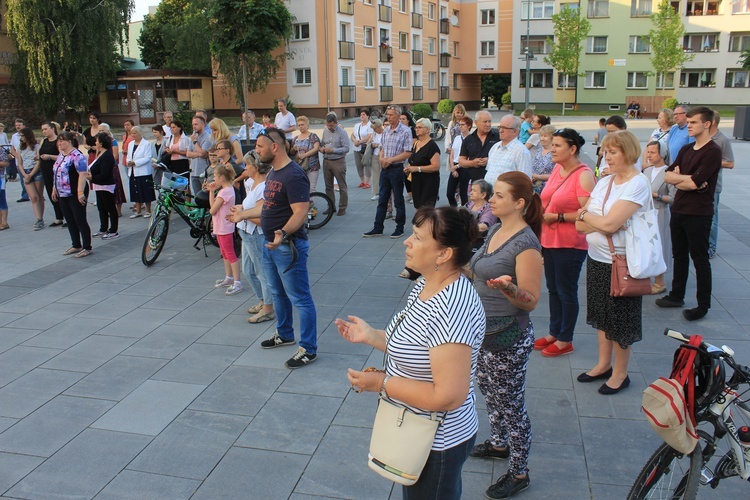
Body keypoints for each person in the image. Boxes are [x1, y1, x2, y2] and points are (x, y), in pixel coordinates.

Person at [336, 206, 485, 500]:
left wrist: (381, 384)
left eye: (417, 237)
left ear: (443, 255)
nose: (407, 241)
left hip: (436, 441)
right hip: (414, 427)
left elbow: (448, 396)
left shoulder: (452, 308)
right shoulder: (424, 283)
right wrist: (373, 336)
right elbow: (416, 345)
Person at [468, 172, 542, 499]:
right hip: (482, 331)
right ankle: (499, 444)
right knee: (490, 391)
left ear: (519, 203)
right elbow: (477, 267)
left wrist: (509, 287)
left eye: (498, 196)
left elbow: (532, 300)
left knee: (511, 404)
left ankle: (519, 471)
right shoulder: (497, 228)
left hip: (509, 336)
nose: (491, 200)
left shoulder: (526, 245)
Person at [575, 130, 651, 395]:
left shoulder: (637, 183)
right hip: (597, 259)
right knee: (601, 316)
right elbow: (579, 224)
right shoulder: (605, 182)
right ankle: (603, 364)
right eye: (605, 152)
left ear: (628, 153)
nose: (606, 157)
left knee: (621, 321)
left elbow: (608, 223)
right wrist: (590, 218)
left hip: (623, 264)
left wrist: (587, 215)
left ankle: (621, 373)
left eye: (613, 152)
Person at [254, 127, 318, 369]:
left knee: (300, 298)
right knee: (277, 292)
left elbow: (301, 212)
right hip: (270, 244)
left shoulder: (293, 175)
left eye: (260, 146)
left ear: (274, 147)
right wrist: (242, 214)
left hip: (288, 247)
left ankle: (309, 348)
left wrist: (283, 232)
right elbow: (268, 208)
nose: (256, 150)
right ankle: (284, 333)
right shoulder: (274, 172)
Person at [657, 106, 722, 321]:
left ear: (707, 124)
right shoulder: (686, 149)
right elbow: (667, 175)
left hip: (699, 213)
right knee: (679, 255)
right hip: (679, 209)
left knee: (700, 258)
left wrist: (686, 180)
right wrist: (687, 180)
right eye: (689, 122)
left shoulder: (712, 151)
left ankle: (703, 305)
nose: (688, 125)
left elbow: (695, 183)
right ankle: (677, 295)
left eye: (693, 122)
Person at [536, 128, 596, 357]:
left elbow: (588, 212)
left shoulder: (584, 175)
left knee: (566, 291)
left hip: (570, 242)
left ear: (572, 149)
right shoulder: (557, 169)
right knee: (553, 289)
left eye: (557, 145)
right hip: (549, 239)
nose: (552, 149)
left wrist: (559, 217)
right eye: (552, 144)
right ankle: (554, 331)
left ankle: (565, 339)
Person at [228, 151, 275, 323]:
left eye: (247, 165)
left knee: (261, 272)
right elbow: (248, 207)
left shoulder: (262, 187)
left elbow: (262, 219)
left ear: (255, 167)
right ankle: (263, 301)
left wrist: (242, 214)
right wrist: (239, 210)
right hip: (246, 232)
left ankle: (268, 308)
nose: (245, 167)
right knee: (248, 270)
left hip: (255, 234)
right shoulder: (252, 183)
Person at [363, 105, 413, 239]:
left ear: (397, 115)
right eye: (387, 115)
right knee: (382, 199)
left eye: (391, 115)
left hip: (396, 169)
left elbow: (407, 152)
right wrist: (381, 159)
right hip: (385, 168)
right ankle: (378, 227)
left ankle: (399, 228)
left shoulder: (405, 131)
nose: (388, 117)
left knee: (398, 199)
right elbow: (382, 148)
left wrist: (390, 160)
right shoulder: (386, 131)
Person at [642, 141, 675, 295]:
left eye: (653, 152)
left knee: (659, 245)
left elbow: (674, 198)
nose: (649, 155)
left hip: (660, 213)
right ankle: (648, 277)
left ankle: (660, 281)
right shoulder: (646, 171)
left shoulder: (669, 172)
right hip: (646, 213)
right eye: (648, 152)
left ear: (662, 154)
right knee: (647, 245)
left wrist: (658, 196)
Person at [52, 132, 92, 258]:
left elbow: (82, 174)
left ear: (69, 141)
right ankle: (76, 244)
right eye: (59, 141)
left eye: (62, 141)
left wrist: (80, 193)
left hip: (75, 191)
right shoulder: (61, 155)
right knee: (69, 219)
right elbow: (56, 172)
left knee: (79, 219)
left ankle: (87, 246)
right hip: (62, 192)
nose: (60, 143)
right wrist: (54, 188)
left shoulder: (77, 155)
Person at [208, 164, 243, 296]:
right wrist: (211, 192)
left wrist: (212, 192)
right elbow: (214, 209)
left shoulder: (225, 192)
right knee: (224, 252)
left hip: (224, 227)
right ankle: (229, 277)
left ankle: (237, 282)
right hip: (221, 226)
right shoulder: (226, 190)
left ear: (222, 178)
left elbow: (212, 210)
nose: (214, 179)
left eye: (215, 176)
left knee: (229, 253)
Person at [708, 111, 734, 258]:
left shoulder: (722, 140)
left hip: (714, 185)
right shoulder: (701, 139)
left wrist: (709, 161)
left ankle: (711, 247)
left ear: (711, 122)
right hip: (700, 185)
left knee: (712, 217)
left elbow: (730, 163)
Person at [86, 132, 119, 239]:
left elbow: (104, 174)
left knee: (110, 208)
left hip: (106, 186)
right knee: (101, 208)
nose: (95, 142)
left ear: (101, 143)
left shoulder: (107, 156)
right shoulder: (100, 153)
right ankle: (103, 228)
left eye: (97, 141)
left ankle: (113, 230)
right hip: (98, 185)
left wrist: (92, 178)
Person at [484, 115, 532, 183]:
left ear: (515, 131)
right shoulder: (495, 147)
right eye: (500, 127)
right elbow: (489, 171)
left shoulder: (521, 152)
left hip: (507, 193)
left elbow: (525, 181)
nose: (500, 131)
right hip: (489, 192)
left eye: (504, 128)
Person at [406, 117, 441, 209]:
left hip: (428, 182)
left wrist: (418, 169)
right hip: (416, 181)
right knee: (418, 208)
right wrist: (409, 167)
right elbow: (414, 159)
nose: (416, 129)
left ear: (427, 130)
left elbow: (436, 166)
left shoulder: (432, 146)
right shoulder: (416, 143)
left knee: (426, 211)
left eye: (419, 127)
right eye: (416, 127)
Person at [320, 112, 350, 216]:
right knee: (328, 186)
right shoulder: (325, 131)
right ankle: (331, 206)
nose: (329, 127)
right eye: (328, 125)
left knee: (342, 185)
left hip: (338, 161)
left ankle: (342, 207)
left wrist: (333, 150)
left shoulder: (342, 132)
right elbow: (322, 143)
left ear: (336, 123)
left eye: (331, 125)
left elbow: (346, 148)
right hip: (327, 160)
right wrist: (322, 148)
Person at [459, 110, 499, 185]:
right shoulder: (468, 139)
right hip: (475, 182)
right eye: (485, 122)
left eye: (489, 121)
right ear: (476, 123)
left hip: (494, 182)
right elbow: (461, 161)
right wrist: (473, 163)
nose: (488, 124)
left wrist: (489, 161)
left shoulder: (498, 137)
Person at [17, 127, 45, 229]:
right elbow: (19, 163)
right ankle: (38, 218)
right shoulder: (20, 148)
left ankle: (40, 218)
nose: (21, 138)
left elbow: (38, 162)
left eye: (22, 136)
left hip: (36, 172)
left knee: (39, 195)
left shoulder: (37, 147)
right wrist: (25, 175)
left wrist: (31, 174)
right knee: (33, 197)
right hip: (26, 171)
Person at [37, 122, 64, 227]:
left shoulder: (58, 141)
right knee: (50, 192)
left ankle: (66, 216)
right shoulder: (43, 141)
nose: (44, 131)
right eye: (42, 129)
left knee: (60, 193)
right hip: (45, 170)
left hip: (56, 170)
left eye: (46, 129)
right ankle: (58, 217)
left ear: (52, 129)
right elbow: (39, 153)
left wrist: (49, 156)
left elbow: (62, 157)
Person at [126, 126, 156, 219]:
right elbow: (128, 155)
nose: (133, 135)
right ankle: (138, 211)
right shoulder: (130, 144)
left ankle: (148, 210)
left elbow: (148, 157)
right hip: (133, 171)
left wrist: (135, 162)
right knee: (135, 191)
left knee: (146, 191)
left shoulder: (146, 144)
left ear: (140, 133)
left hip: (143, 171)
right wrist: (128, 162)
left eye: (135, 133)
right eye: (132, 133)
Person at [99, 123, 127, 217]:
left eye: (103, 130)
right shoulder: (99, 142)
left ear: (108, 130)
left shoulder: (113, 141)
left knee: (117, 189)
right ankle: (108, 209)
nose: (101, 132)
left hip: (112, 168)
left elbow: (115, 156)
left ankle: (118, 210)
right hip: (102, 168)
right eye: (100, 130)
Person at [446, 116, 473, 206]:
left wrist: (458, 166)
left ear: (468, 126)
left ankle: (464, 213)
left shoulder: (472, 139)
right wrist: (453, 168)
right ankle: (454, 210)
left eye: (462, 125)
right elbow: (452, 154)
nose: (460, 127)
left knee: (464, 194)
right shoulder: (457, 138)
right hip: (455, 165)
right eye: (459, 125)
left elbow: (470, 157)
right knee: (449, 193)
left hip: (465, 167)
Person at [290, 115, 321, 192]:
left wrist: (304, 155)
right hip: (300, 167)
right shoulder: (295, 139)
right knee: (301, 188)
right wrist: (293, 149)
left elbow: (316, 148)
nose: (301, 127)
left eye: (302, 124)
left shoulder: (313, 136)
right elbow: (291, 153)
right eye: (299, 125)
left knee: (311, 188)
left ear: (307, 125)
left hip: (312, 167)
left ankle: (311, 203)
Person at [465, 179, 498, 249]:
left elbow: (483, 227)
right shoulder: (470, 204)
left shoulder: (489, 208)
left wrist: (465, 228)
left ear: (483, 195)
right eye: (471, 190)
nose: (470, 193)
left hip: (479, 244)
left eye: (474, 191)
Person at [189, 116, 215, 194]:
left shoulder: (208, 138)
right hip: (193, 171)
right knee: (197, 197)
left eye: (196, 124)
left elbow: (203, 154)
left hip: (204, 172)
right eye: (193, 124)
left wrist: (195, 142)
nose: (194, 126)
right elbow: (188, 153)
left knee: (205, 197)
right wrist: (198, 153)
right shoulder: (193, 136)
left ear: (203, 125)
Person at [351, 110, 373, 189]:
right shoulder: (357, 125)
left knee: (366, 164)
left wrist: (360, 142)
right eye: (361, 115)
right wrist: (354, 141)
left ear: (368, 116)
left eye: (364, 114)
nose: (362, 116)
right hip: (356, 148)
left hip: (365, 147)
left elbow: (369, 136)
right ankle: (363, 181)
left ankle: (367, 182)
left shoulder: (370, 125)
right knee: (358, 165)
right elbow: (352, 135)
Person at [531, 124, 555, 194]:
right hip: (533, 185)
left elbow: (557, 175)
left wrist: (538, 177)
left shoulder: (555, 153)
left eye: (545, 136)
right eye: (541, 136)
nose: (542, 138)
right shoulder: (539, 150)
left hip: (547, 187)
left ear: (552, 138)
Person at [399, 111, 417, 203]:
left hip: (411, 155)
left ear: (408, 120)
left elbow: (413, 142)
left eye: (403, 119)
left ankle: (415, 195)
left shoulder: (412, 129)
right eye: (400, 119)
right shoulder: (400, 130)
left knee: (411, 176)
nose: (401, 121)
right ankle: (409, 194)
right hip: (402, 156)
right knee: (405, 176)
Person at [10, 119, 29, 200]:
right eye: (16, 125)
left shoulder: (28, 135)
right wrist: (18, 157)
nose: (17, 126)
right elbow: (12, 148)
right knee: (22, 180)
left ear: (24, 126)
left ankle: (38, 195)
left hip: (29, 161)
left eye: (19, 125)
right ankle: (25, 196)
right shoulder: (14, 136)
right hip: (19, 162)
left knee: (32, 179)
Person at [367, 118, 384, 201]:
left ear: (380, 126)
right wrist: (371, 143)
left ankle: (385, 191)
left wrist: (378, 145)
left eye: (375, 128)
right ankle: (376, 192)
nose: (374, 130)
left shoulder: (386, 133)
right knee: (375, 174)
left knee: (384, 175)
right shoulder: (374, 134)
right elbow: (369, 142)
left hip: (384, 156)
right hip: (375, 155)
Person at [0, 145, 9, 229]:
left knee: (1, 199)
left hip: (0, 178)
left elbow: (6, 163)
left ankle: (4, 222)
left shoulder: (1, 149)